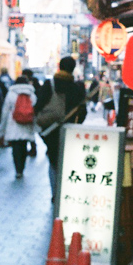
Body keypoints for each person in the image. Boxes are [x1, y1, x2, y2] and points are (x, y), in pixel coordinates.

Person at [37, 57, 87, 195]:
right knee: (68, 161)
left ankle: (55, 193)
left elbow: (38, 105)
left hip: (51, 130)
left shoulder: (50, 84)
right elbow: (83, 112)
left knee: (53, 161)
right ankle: (65, 192)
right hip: (70, 131)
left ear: (60, 67)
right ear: (73, 68)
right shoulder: (77, 87)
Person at [0, 75, 37, 179]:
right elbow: (34, 110)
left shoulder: (11, 94)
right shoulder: (31, 94)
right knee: (24, 146)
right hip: (27, 124)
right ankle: (22, 168)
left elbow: (5, 111)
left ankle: (17, 169)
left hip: (13, 124)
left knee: (15, 148)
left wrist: (2, 128)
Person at [21, 69, 42, 157]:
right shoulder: (34, 82)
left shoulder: (30, 82)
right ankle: (32, 148)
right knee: (31, 130)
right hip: (31, 109)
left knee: (31, 130)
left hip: (30, 109)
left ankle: (33, 149)